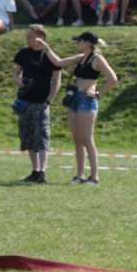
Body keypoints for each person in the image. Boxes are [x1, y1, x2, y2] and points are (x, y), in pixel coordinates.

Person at [35, 31, 118, 185]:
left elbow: (113, 78)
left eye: (79, 41)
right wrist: (46, 47)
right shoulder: (81, 58)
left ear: (87, 43)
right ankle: (80, 175)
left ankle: (94, 177)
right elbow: (59, 62)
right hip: (74, 100)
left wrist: (98, 94)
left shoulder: (97, 59)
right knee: (78, 140)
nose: (77, 43)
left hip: (87, 101)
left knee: (88, 139)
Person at [11, 25, 62, 184]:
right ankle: (34, 171)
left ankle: (42, 172)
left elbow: (57, 82)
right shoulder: (24, 53)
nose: (27, 39)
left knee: (42, 138)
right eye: (27, 36)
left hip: (41, 103)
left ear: (41, 38)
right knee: (28, 137)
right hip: (25, 101)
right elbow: (15, 73)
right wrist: (19, 80)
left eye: (31, 36)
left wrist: (48, 101)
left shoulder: (51, 56)